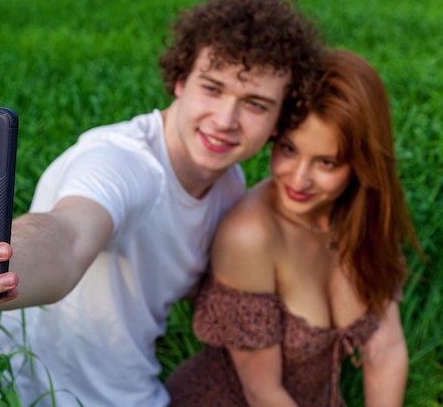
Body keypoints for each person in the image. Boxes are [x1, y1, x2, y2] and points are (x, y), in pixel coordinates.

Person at [0, 0, 322, 406]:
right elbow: (69, 237)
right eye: (212, 88)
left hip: (139, 391)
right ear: (179, 80)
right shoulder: (120, 161)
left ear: (279, 120)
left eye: (255, 104)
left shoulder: (230, 182)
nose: (226, 120)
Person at [165, 49, 422, 407]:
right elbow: (263, 393)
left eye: (327, 162)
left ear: (361, 165)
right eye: (288, 148)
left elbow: (385, 348)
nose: (298, 179)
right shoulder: (250, 236)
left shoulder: (364, 217)